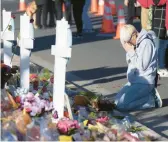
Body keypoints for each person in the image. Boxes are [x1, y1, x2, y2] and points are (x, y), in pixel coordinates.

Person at [115, 24, 162, 111]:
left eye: (128, 41)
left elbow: (142, 66)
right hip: (134, 81)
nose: (128, 44)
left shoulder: (146, 43)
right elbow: (131, 63)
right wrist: (129, 52)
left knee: (121, 106)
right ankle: (147, 97)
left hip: (145, 82)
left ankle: (151, 100)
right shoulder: (136, 44)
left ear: (134, 35)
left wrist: (131, 52)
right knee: (116, 102)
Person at [152, 0, 168, 77]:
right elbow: (157, 2)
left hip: (162, 18)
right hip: (160, 19)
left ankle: (161, 66)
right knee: (160, 45)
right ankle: (160, 67)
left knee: (163, 45)